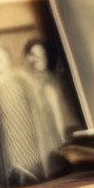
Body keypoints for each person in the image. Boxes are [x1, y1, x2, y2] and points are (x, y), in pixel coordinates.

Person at [0, 42, 49, 188]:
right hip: (7, 155)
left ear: (8, 59)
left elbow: (38, 115)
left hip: (31, 151)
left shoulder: (23, 84)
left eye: (1, 58)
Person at [21, 38, 73, 175]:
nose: (40, 59)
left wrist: (63, 135)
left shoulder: (53, 79)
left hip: (58, 133)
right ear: (28, 58)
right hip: (37, 136)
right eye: (35, 55)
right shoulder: (25, 82)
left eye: (42, 54)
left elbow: (60, 112)